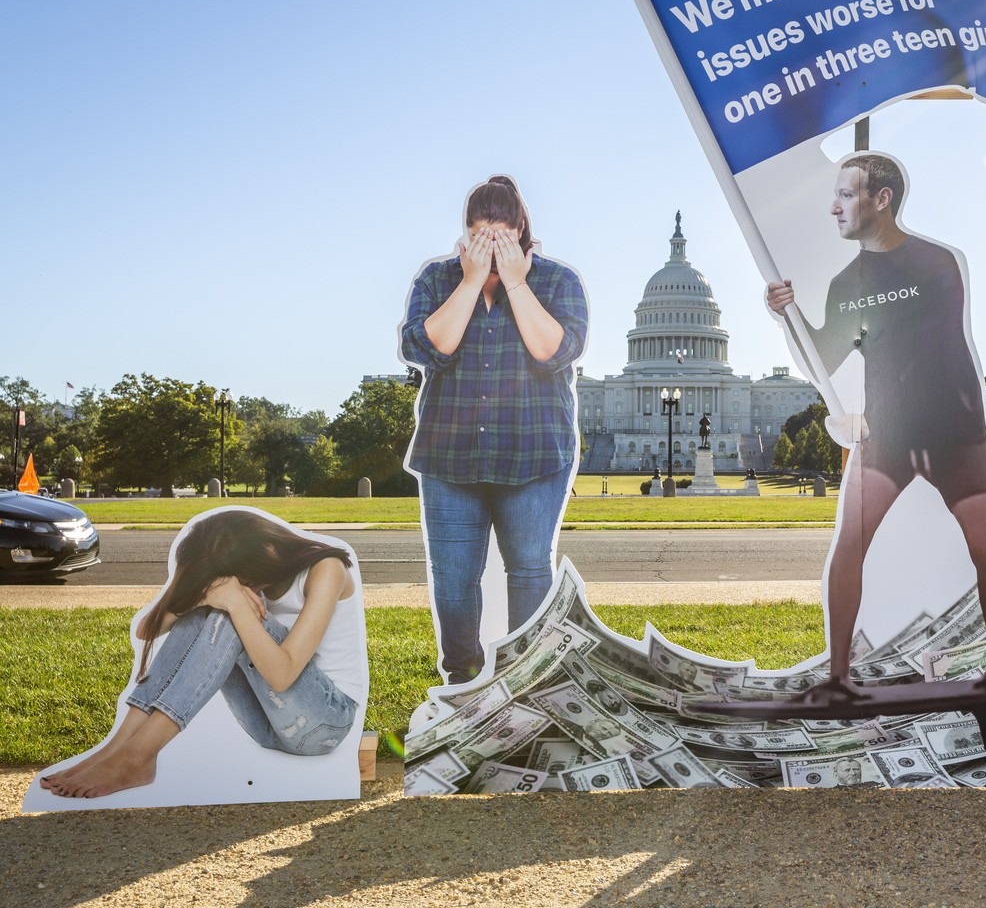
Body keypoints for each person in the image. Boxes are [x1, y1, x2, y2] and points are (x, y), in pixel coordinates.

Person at [766, 153, 986, 702]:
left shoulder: (938, 263)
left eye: (846, 194)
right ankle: (838, 679)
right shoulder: (844, 283)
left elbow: (922, 340)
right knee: (850, 544)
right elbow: (823, 362)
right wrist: (789, 320)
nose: (833, 207)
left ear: (881, 199)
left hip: (957, 433)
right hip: (888, 435)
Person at [401, 175, 589, 684]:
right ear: (464, 235)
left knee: (529, 569)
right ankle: (462, 683)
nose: (489, 246)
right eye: (479, 234)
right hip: (449, 458)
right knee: (455, 582)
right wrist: (468, 284)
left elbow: (553, 351)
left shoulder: (556, 281)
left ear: (521, 232)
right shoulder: (437, 279)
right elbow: (426, 348)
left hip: (534, 455)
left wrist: (515, 283)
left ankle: (527, 683)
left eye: (500, 235)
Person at [40, 509, 363, 799]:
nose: (241, 584)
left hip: (326, 724)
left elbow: (283, 675)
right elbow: (148, 631)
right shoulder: (235, 571)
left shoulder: (326, 569)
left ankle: (138, 756)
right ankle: (116, 749)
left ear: (263, 553)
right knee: (205, 610)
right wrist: (203, 595)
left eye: (242, 578)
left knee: (227, 617)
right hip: (267, 727)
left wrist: (235, 603)